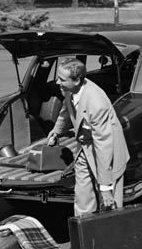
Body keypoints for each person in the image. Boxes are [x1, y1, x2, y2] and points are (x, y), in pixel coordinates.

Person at [47, 57, 130, 216]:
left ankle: (109, 237)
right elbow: (66, 109)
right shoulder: (69, 89)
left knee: (109, 204)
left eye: (62, 79)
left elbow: (104, 146)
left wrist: (105, 187)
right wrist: (57, 130)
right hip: (85, 147)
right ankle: (85, 232)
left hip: (108, 153)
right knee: (83, 196)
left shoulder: (96, 103)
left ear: (77, 80)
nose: (58, 82)